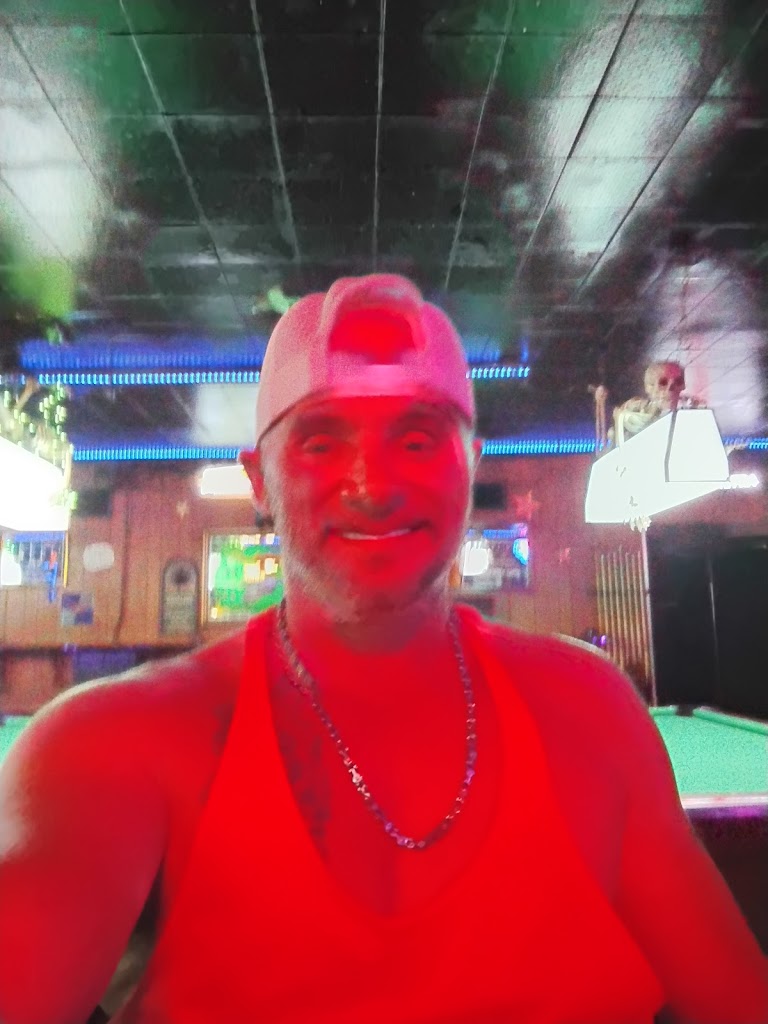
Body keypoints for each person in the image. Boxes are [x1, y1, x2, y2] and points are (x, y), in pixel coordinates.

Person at [0, 274, 766, 1024]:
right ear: (259, 481)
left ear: (471, 465)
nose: (372, 486)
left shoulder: (591, 709)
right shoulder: (113, 744)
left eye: (417, 439)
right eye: (320, 442)